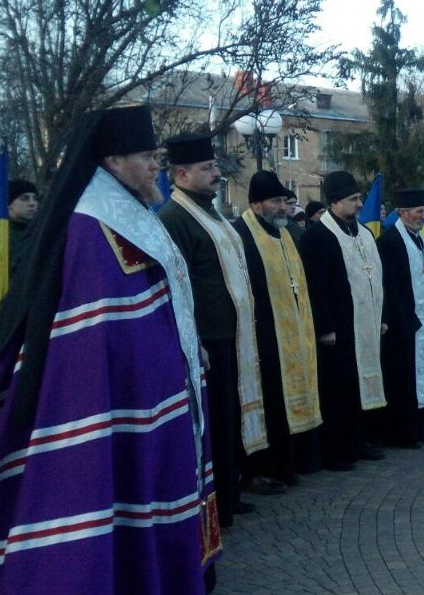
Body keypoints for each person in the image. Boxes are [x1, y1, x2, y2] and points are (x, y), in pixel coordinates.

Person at [0, 104, 219, 595]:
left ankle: (167, 591)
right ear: (113, 161)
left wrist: (184, 346)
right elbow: (99, 323)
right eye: (146, 157)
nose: (155, 166)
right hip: (112, 397)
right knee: (119, 490)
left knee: (155, 484)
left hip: (157, 388)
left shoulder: (129, 209)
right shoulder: (90, 223)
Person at [159, 134, 268, 526]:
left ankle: (231, 492)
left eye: (215, 166)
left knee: (230, 417)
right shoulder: (174, 218)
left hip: (233, 334)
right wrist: (196, 339)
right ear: (181, 174)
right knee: (216, 421)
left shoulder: (212, 213)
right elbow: (178, 285)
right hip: (210, 339)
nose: (216, 174)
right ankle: (217, 503)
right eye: (206, 168)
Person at [233, 171, 322, 486]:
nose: (283, 207)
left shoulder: (285, 234)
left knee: (284, 399)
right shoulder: (241, 235)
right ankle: (262, 470)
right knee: (267, 402)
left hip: (290, 333)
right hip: (261, 337)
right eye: (275, 201)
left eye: (285, 201)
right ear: (256, 205)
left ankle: (287, 464)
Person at [297, 172, 387, 469]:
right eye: (353, 199)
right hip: (338, 330)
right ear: (334, 201)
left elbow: (378, 279)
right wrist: (325, 327)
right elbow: (315, 287)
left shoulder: (364, 233)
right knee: (338, 391)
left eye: (359, 198)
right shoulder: (317, 237)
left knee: (360, 387)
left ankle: (358, 441)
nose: (360, 204)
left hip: (366, 324)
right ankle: (335, 450)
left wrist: (382, 316)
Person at [378, 187, 424, 448]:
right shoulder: (390, 241)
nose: (423, 216)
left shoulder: (421, 240)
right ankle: (402, 432)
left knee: (422, 373)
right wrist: (404, 318)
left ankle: (420, 425)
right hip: (402, 324)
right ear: (403, 212)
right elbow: (390, 286)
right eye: (419, 212)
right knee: (402, 378)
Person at [6, 179, 38, 277]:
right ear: (9, 204)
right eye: (24, 199)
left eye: (35, 199)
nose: (32, 203)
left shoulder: (39, 231)